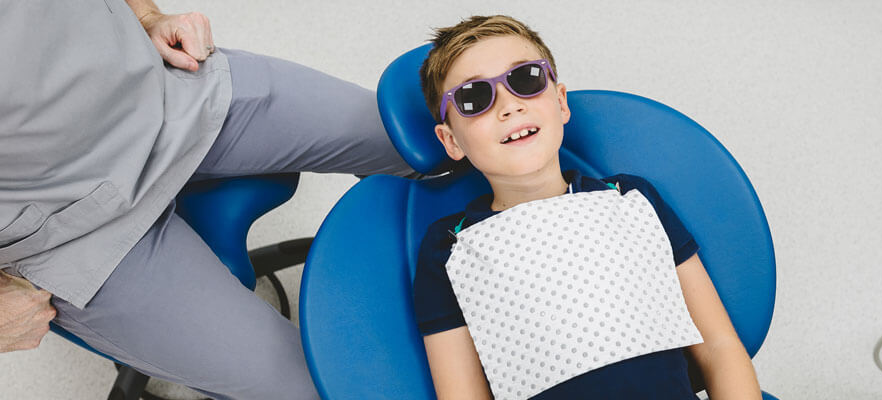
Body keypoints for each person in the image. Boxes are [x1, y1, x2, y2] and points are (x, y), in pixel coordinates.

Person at [0, 0, 416, 398]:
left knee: (429, 138)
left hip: (164, 93)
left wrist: (146, 15)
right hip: (68, 235)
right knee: (322, 388)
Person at [411, 15, 761, 399]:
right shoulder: (450, 247)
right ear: (451, 141)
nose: (508, 106)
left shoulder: (631, 200)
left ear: (560, 101)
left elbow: (718, 346)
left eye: (526, 79)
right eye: (473, 98)